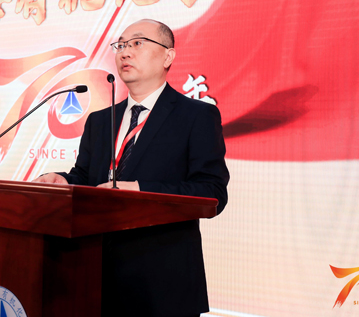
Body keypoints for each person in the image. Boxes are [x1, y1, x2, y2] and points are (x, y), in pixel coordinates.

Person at [34, 19, 229, 317]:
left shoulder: (196, 116)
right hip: (93, 277)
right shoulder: (100, 120)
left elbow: (212, 192)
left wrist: (139, 191)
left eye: (137, 43)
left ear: (168, 56)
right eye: (121, 45)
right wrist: (63, 180)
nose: (125, 52)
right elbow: (86, 177)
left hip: (161, 283)